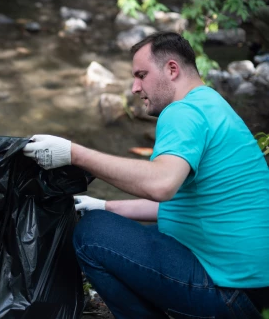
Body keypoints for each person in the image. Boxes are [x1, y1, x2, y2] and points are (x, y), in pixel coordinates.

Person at [23, 32, 269, 318]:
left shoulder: (183, 112)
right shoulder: (210, 104)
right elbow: (178, 203)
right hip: (252, 292)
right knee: (116, 224)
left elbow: (161, 185)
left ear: (172, 69)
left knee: (91, 234)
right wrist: (105, 205)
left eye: (141, 75)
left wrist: (73, 153)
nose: (135, 87)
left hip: (228, 294)